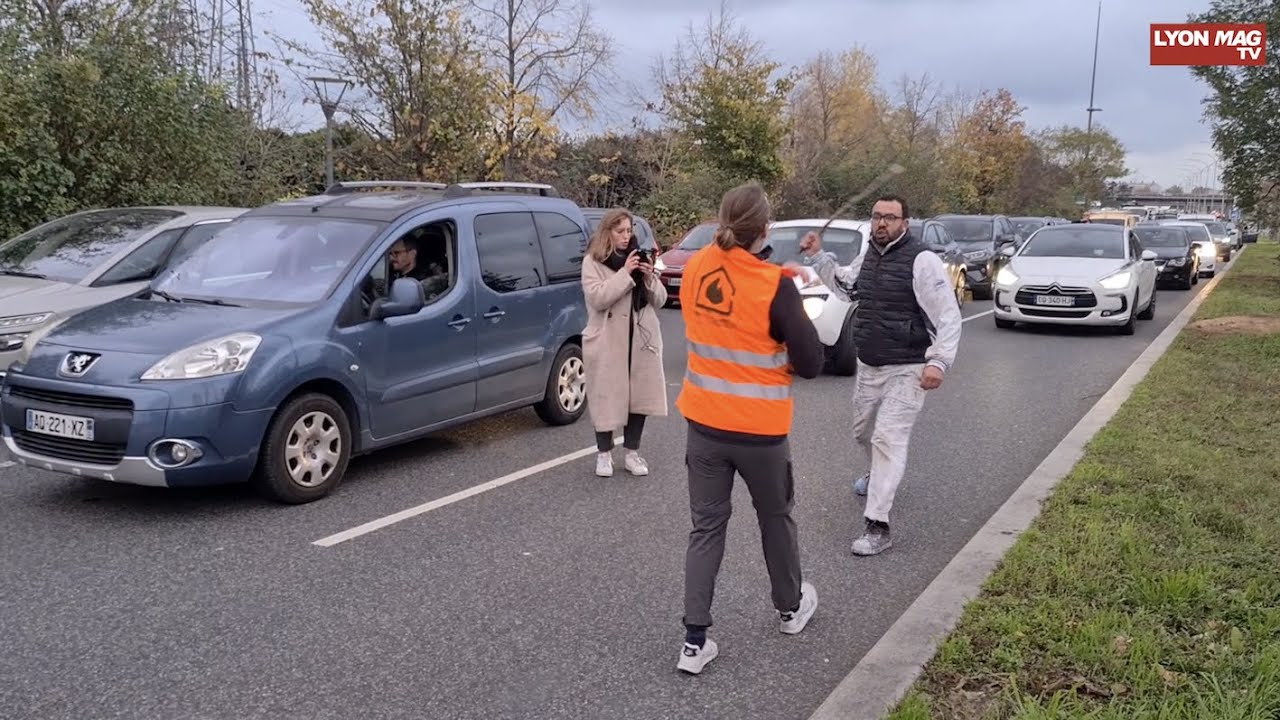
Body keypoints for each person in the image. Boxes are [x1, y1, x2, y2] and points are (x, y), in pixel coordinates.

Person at [674, 182, 825, 675]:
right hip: (760, 431)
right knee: (775, 517)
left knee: (707, 527)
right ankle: (789, 607)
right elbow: (811, 364)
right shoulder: (776, 287)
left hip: (704, 425)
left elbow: (733, 282)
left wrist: (778, 269)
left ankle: (694, 642)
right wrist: (790, 288)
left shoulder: (695, 267)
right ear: (765, 229)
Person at [791, 194, 962, 556]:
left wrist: (939, 362)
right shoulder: (868, 254)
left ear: (905, 223)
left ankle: (877, 526)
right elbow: (848, 287)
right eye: (876, 217)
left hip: (910, 366)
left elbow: (948, 315)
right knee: (863, 432)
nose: (882, 223)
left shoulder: (923, 261)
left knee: (887, 438)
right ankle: (877, 476)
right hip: (870, 364)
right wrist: (819, 257)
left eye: (890, 217)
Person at [580, 208, 668, 477]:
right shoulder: (593, 261)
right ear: (608, 232)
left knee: (639, 396)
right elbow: (598, 297)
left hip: (640, 337)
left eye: (629, 231)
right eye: (620, 231)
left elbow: (661, 300)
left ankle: (632, 453)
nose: (626, 236)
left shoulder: (639, 259)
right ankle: (604, 454)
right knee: (606, 395)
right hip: (608, 338)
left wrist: (649, 275)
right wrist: (626, 273)